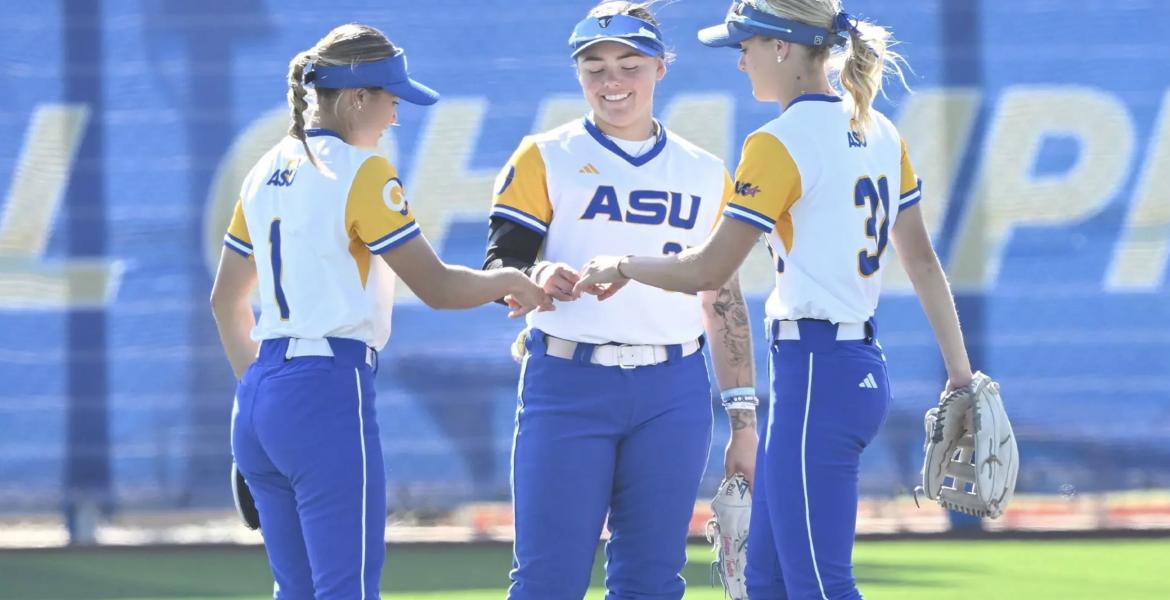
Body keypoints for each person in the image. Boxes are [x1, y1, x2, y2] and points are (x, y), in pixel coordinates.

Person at [573, 1, 976, 598]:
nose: (740, 62)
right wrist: (960, 374)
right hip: (850, 367)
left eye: (746, 46)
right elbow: (920, 259)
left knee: (819, 583)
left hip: (818, 370)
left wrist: (622, 265)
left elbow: (709, 267)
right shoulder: (879, 128)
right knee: (766, 580)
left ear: (782, 47)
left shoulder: (780, 140)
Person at [209, 24, 550, 599]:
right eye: (391, 100)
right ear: (357, 97)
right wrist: (513, 280)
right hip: (325, 389)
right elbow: (438, 287)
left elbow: (225, 301)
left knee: (294, 591)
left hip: (260, 392)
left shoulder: (263, 167)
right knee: (348, 590)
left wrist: (264, 393)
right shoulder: (363, 171)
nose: (396, 115)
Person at [481, 2, 760, 598]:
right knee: (547, 581)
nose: (612, 82)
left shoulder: (707, 172)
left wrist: (742, 418)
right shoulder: (543, 154)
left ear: (661, 68)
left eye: (629, 64)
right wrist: (536, 272)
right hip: (568, 379)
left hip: (673, 388)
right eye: (595, 67)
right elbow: (501, 264)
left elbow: (724, 298)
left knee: (653, 581)